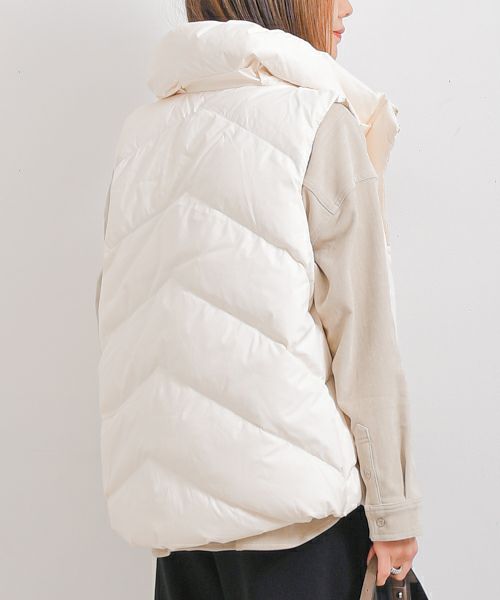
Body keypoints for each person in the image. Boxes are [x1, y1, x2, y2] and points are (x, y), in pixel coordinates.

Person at [95, 1, 424, 598]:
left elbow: (118, 316)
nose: (348, 6)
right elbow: (364, 334)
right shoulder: (317, 120)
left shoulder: (143, 134)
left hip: (179, 523)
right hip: (297, 526)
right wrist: (393, 510)